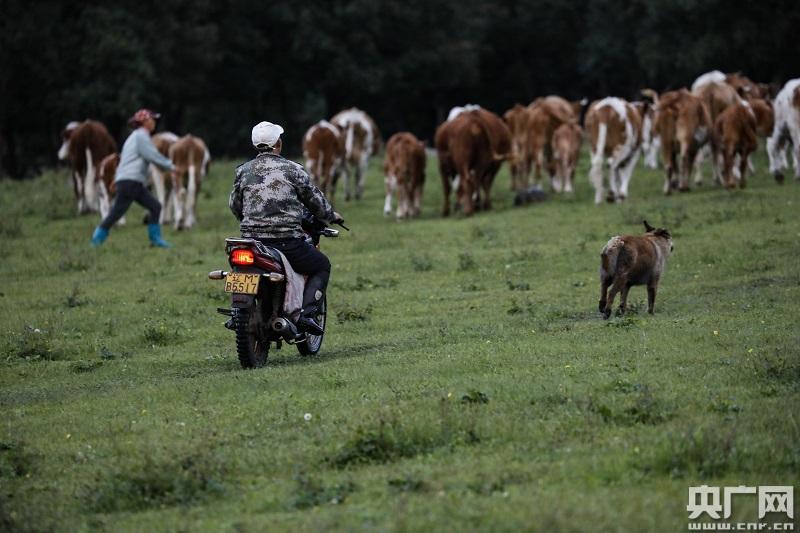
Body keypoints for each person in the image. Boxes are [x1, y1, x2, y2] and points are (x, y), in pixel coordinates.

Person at [229, 121, 343, 335]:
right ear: (278, 143)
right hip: (287, 242)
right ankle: (307, 315)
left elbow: (235, 205)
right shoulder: (293, 170)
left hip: (252, 243)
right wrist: (330, 215)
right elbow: (314, 201)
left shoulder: (242, 171)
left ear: (256, 146)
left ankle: (239, 312)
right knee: (321, 264)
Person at [90, 108, 175, 248]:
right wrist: (172, 166)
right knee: (118, 213)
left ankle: (155, 239)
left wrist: (116, 179)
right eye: (152, 119)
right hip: (131, 182)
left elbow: (124, 161)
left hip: (129, 181)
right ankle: (96, 241)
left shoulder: (133, 137)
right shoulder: (141, 136)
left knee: (153, 207)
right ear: (144, 121)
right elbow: (152, 155)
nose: (154, 122)